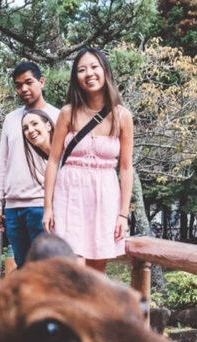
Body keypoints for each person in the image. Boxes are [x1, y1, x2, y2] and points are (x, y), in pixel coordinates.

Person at [42, 48, 134, 272]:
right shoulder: (67, 113)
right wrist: (47, 208)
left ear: (105, 71)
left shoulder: (122, 116)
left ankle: (93, 308)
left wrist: (123, 214)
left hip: (104, 195)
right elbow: (53, 161)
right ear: (76, 78)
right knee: (73, 267)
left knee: (96, 270)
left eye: (94, 67)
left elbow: (126, 167)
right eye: (82, 70)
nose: (89, 73)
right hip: (69, 194)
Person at [0, 62, 60, 268]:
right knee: (24, 268)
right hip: (13, 208)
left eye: (29, 82)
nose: (23, 89)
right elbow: (3, 162)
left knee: (47, 269)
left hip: (43, 205)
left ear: (41, 82)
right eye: (18, 85)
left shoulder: (58, 117)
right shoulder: (11, 119)